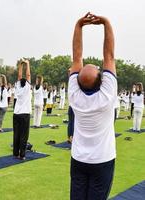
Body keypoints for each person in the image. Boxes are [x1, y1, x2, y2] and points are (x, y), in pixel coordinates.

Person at [68, 13, 117, 200]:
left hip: (79, 159)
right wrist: (106, 22)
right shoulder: (106, 95)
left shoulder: (74, 96)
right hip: (102, 161)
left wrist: (79, 25)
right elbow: (109, 56)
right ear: (101, 80)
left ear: (77, 81)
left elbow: (76, 57)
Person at [13, 59, 31, 160]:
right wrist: (27, 64)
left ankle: (16, 153)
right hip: (24, 114)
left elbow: (20, 76)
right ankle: (22, 155)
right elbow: (27, 75)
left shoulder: (18, 86)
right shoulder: (27, 87)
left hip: (16, 113)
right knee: (24, 135)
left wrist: (20, 65)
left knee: (16, 134)